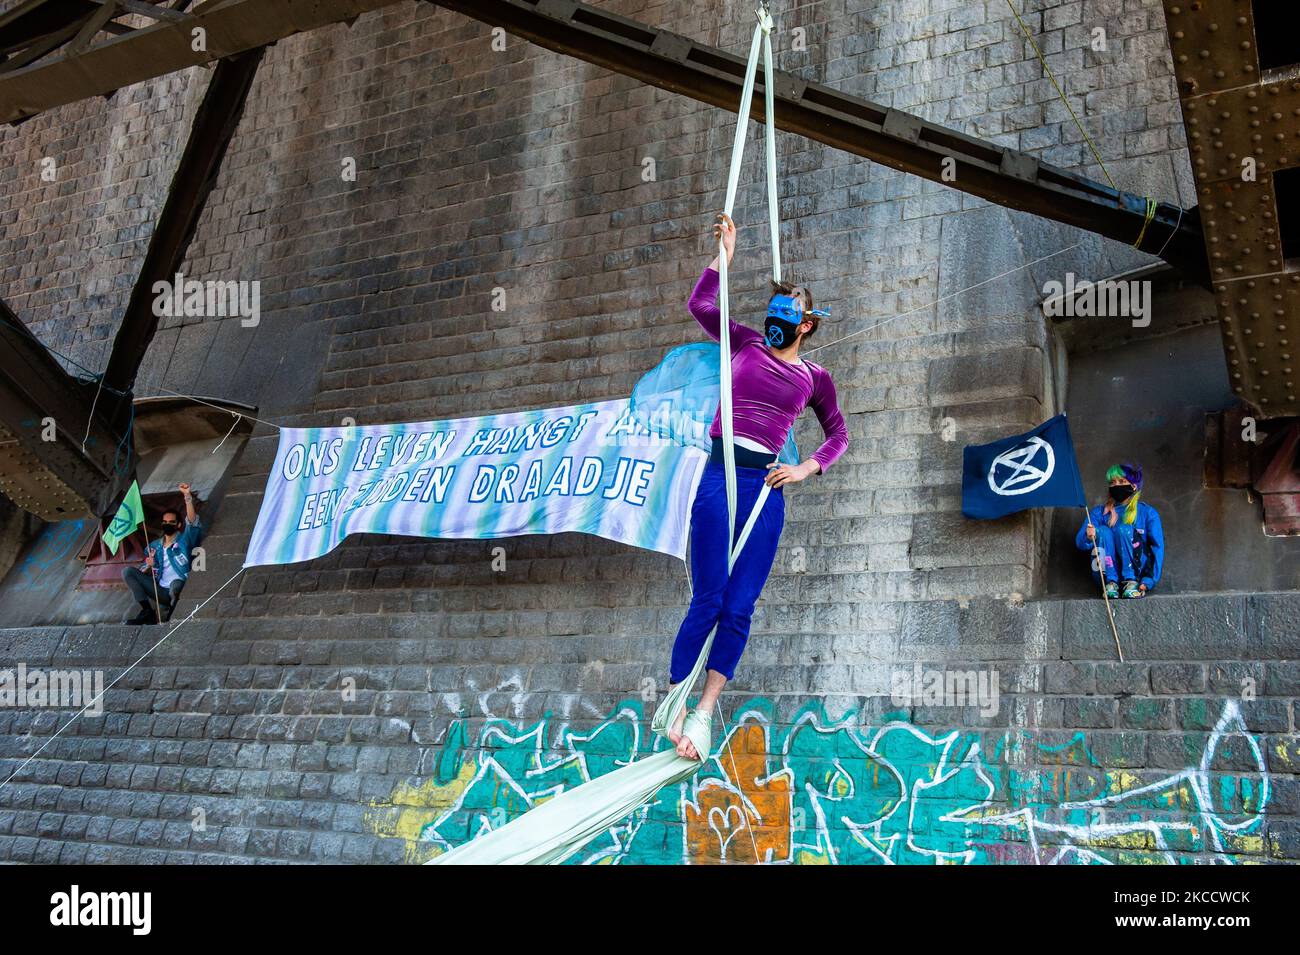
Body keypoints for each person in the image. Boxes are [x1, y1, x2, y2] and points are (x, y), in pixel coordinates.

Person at [668, 213, 849, 760]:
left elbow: (838, 433)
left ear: (806, 326)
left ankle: (704, 714)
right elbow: (701, 306)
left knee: (740, 607)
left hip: (765, 491)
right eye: (770, 313)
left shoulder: (814, 378)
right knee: (710, 596)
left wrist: (804, 468)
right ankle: (674, 707)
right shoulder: (744, 343)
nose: (773, 323)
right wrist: (724, 255)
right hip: (720, 476)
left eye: (785, 318)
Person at [1076, 463, 1164, 599]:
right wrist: (1089, 536)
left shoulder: (1147, 513)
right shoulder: (1099, 513)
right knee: (1104, 531)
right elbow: (1080, 544)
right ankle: (1111, 583)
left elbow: (1157, 549)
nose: (1116, 486)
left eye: (1122, 481)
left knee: (1124, 530)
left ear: (1133, 486)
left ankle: (1130, 581)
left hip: (1138, 576)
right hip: (1105, 574)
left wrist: (1149, 580)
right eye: (1112, 482)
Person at [122, 483, 204, 625]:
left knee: (175, 585)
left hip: (179, 587)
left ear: (178, 525)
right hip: (161, 591)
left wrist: (187, 496)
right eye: (165, 522)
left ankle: (173, 614)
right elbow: (145, 571)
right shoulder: (154, 547)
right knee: (127, 572)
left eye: (171, 522)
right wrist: (149, 566)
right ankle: (147, 612)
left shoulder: (185, 540)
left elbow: (192, 522)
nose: (167, 524)